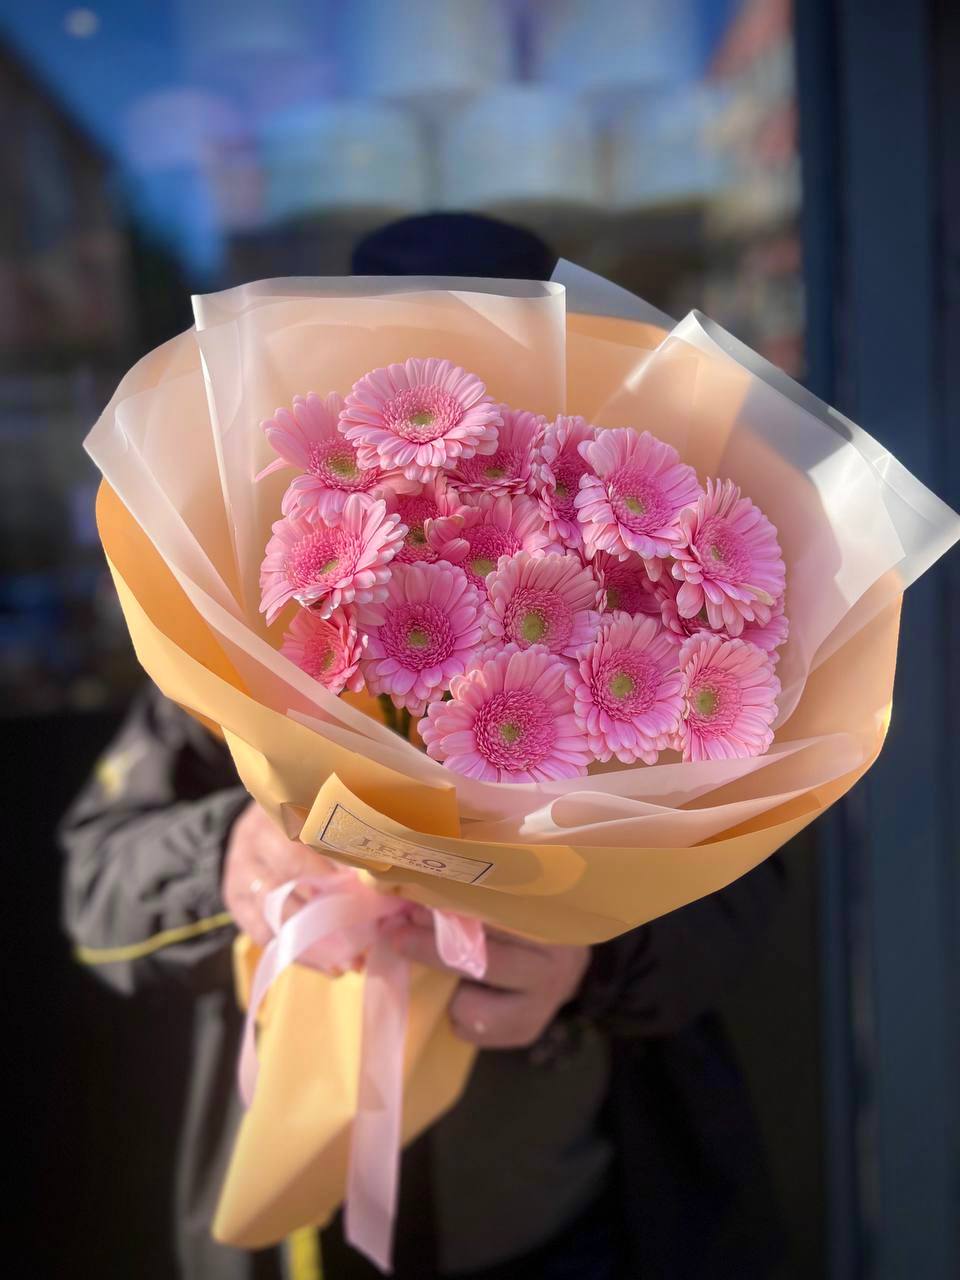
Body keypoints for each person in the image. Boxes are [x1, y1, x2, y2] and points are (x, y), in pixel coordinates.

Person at [61, 215, 787, 1280]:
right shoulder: (243, 605)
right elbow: (96, 887)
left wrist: (590, 957)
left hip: (580, 1216)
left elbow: (744, 891)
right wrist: (232, 856)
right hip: (305, 1228)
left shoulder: (638, 599)